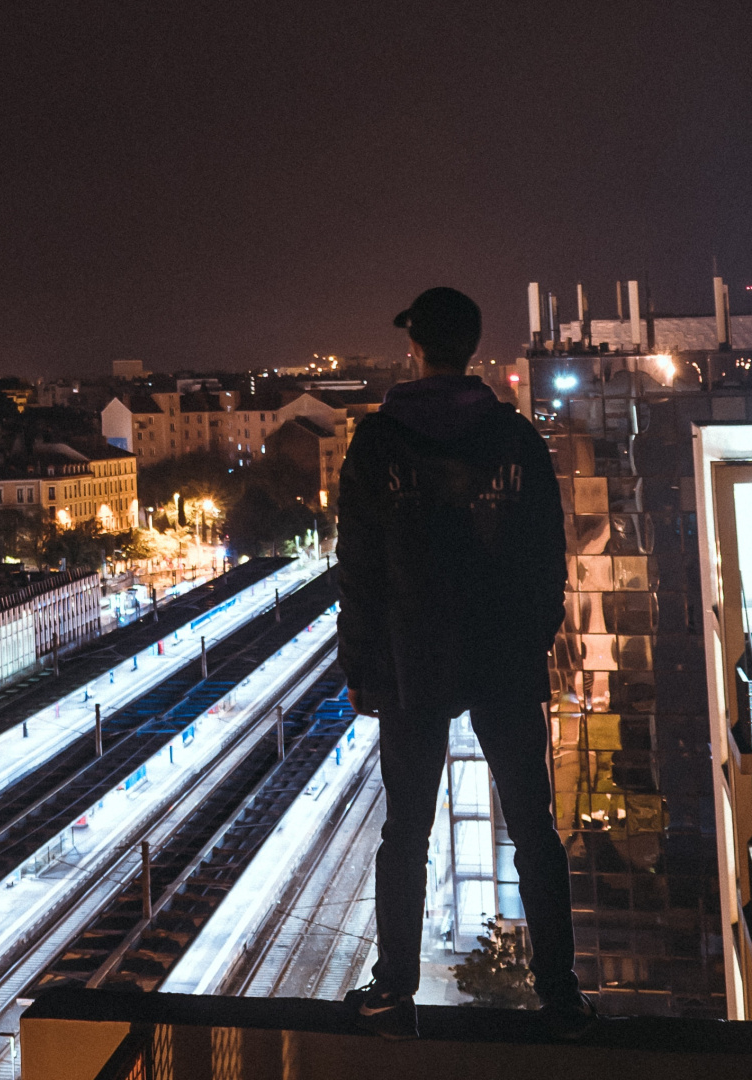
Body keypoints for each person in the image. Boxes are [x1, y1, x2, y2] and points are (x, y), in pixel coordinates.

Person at [335, 287, 594, 1040]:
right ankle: (561, 994)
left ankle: (392, 990)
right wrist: (529, 643)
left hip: (413, 660)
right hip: (503, 657)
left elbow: (358, 572)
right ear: (473, 348)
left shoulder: (378, 443)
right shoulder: (514, 440)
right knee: (534, 828)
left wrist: (365, 667)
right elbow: (550, 561)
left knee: (405, 832)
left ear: (415, 347)